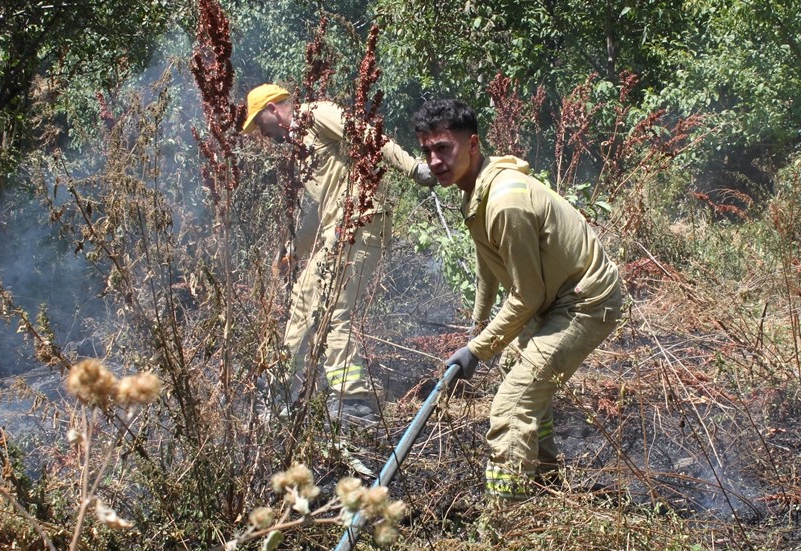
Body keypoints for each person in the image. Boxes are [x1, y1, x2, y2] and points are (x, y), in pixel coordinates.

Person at [411, 99, 623, 503]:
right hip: (554, 298)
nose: (434, 160)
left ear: (472, 145)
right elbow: (488, 264)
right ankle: (545, 483)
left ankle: (505, 520)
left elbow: (528, 295)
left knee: (509, 410)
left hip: (584, 301)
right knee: (520, 378)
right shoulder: (475, 190)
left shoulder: (505, 200)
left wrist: (478, 349)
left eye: (443, 148)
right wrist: (477, 329)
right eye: (427, 151)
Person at [243, 84, 435, 425]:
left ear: (272, 109)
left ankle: (354, 400)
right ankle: (282, 387)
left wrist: (413, 169)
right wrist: (290, 252)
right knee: (304, 298)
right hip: (340, 230)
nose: (261, 132)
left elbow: (365, 135)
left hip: (361, 221)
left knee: (333, 309)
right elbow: (315, 216)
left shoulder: (317, 114)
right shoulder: (303, 152)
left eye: (259, 122)